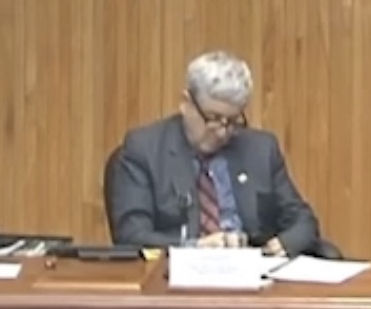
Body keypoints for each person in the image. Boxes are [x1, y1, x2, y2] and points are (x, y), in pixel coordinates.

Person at [106, 50, 327, 257]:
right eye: (212, 119)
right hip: (175, 277)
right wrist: (194, 248)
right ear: (186, 103)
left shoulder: (261, 150)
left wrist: (283, 244)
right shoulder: (145, 149)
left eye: (232, 121)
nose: (222, 132)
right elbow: (131, 235)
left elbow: (303, 220)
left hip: (251, 275)